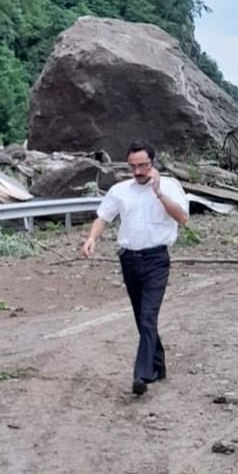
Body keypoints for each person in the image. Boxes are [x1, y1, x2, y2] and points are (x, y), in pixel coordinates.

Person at [82, 141, 189, 396]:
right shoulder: (121, 190)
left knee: (148, 316)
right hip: (129, 259)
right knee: (142, 316)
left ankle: (142, 374)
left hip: (156, 259)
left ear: (153, 163)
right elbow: (104, 217)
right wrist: (92, 238)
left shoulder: (170, 186)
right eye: (133, 167)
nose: (138, 171)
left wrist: (159, 192)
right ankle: (158, 365)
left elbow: (183, 218)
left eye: (143, 166)